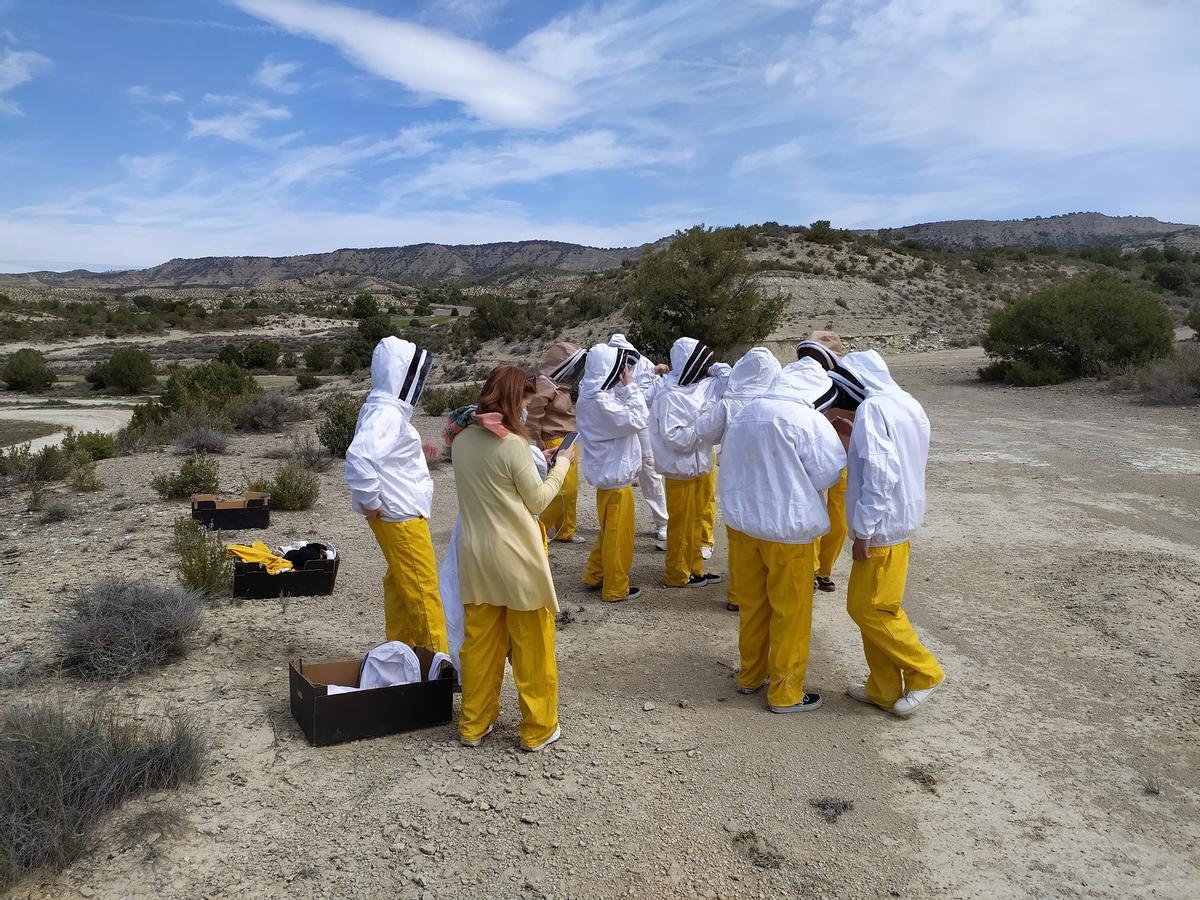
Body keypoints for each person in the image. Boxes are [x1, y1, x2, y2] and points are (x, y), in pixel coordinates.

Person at [450, 366, 574, 751]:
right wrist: (563, 463)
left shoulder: (462, 440)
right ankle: (538, 728)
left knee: (481, 645)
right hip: (517, 559)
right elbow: (537, 500)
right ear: (512, 400)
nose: (526, 410)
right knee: (532, 645)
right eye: (525, 402)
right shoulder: (512, 446)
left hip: (475, 556)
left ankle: (474, 724)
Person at [719, 357, 846, 713]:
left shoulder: (747, 411)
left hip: (744, 528)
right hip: (788, 533)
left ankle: (749, 675)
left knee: (754, 606)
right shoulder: (808, 419)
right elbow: (827, 475)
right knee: (791, 612)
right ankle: (786, 692)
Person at [831, 350, 945, 717]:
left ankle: (924, 672)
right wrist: (854, 441)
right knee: (875, 608)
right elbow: (895, 459)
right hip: (899, 519)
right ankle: (882, 687)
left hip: (882, 527)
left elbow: (881, 474)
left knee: (870, 608)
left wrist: (863, 529)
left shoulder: (873, 409)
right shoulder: (907, 403)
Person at [345, 336, 447, 653]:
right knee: (422, 588)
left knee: (401, 583)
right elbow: (360, 457)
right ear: (402, 373)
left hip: (395, 514)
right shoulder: (386, 412)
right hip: (400, 516)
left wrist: (415, 455)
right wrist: (371, 502)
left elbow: (381, 456)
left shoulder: (380, 407)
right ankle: (437, 668)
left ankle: (403, 652)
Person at [696, 346, 783, 610]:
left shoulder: (729, 404)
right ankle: (771, 592)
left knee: (741, 539)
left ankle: (739, 595)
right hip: (773, 480)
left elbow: (705, 432)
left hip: (738, 479)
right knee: (771, 536)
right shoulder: (782, 404)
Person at [649, 338, 729, 588]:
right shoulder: (668, 394)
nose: (705, 368)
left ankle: (695, 568)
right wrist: (704, 429)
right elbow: (674, 437)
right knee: (680, 525)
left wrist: (715, 367)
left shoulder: (699, 386)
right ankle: (676, 573)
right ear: (689, 363)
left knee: (696, 522)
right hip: (679, 469)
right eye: (701, 363)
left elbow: (733, 381)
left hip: (698, 465)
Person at [575, 343, 648, 603]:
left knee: (608, 532)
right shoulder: (601, 404)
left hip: (609, 479)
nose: (624, 371)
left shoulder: (591, 395)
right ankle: (616, 588)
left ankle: (595, 574)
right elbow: (638, 419)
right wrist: (630, 387)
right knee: (619, 538)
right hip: (615, 481)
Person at [797, 334, 849, 593]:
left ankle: (815, 568)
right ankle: (822, 570)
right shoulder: (848, 380)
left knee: (816, 509)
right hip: (840, 451)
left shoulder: (797, 378)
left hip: (812, 453)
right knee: (835, 513)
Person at [609, 334, 670, 549]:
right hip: (617, 419)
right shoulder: (605, 365)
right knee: (617, 467)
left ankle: (663, 523)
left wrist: (656, 372)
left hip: (641, 420)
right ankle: (615, 524)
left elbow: (654, 386)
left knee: (649, 469)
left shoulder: (643, 362)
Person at [526, 341, 587, 544]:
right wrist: (539, 442)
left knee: (571, 490)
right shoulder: (545, 385)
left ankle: (566, 531)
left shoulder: (559, 385)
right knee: (563, 490)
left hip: (568, 438)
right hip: (553, 440)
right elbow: (533, 417)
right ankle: (534, 532)